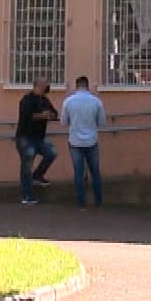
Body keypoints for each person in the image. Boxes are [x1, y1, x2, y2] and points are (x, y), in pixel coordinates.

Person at [60, 75, 107, 208]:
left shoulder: (68, 101)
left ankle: (82, 203)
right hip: (92, 141)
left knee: (78, 173)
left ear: (76, 86)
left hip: (75, 141)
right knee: (95, 172)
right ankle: (98, 201)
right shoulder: (96, 101)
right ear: (87, 86)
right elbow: (102, 122)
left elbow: (63, 121)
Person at [14, 80, 59, 205]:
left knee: (52, 153)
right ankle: (27, 195)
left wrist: (51, 115)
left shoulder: (44, 100)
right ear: (37, 86)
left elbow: (54, 113)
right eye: (44, 87)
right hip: (25, 138)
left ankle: (38, 175)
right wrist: (42, 115)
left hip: (39, 138)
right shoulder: (27, 99)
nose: (46, 89)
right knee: (27, 163)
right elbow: (28, 115)